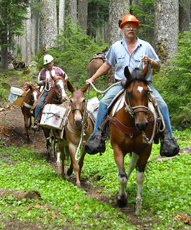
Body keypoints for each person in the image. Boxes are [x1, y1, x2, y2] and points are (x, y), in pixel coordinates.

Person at [84, 14, 179, 157]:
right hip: (122, 84)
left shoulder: (146, 46)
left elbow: (158, 65)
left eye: (133, 26)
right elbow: (107, 64)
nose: (131, 28)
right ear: (122, 28)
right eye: (128, 26)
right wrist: (92, 77)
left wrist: (151, 62)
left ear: (136, 29)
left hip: (143, 85)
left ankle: (167, 138)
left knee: (162, 105)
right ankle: (98, 136)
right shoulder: (116, 47)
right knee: (103, 103)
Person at [32, 54, 68, 129]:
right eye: (47, 64)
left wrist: (61, 81)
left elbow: (66, 78)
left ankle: (66, 122)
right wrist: (44, 81)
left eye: (50, 63)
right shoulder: (42, 72)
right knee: (39, 104)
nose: (48, 65)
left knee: (67, 103)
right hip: (47, 91)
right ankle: (36, 121)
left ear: (53, 62)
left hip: (58, 91)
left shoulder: (59, 70)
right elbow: (38, 82)